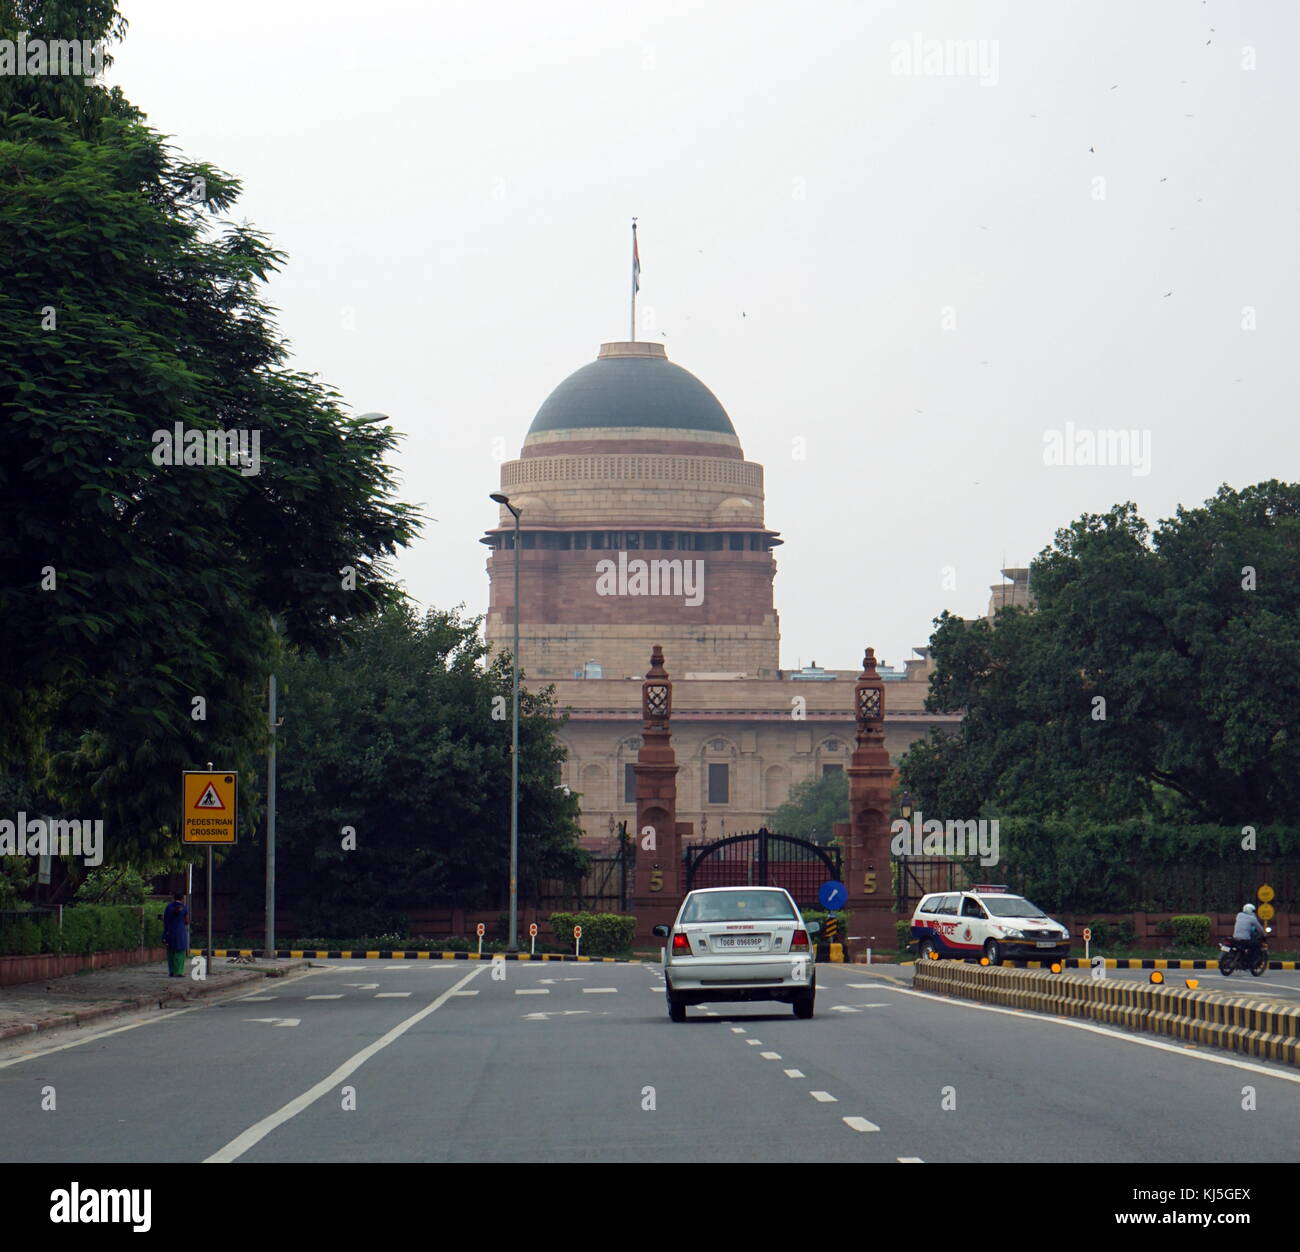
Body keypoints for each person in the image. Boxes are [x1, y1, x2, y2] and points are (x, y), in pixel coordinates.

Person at [162, 892, 189, 978]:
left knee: (170, 951)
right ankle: (179, 972)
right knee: (180, 951)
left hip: (169, 930)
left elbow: (165, 918)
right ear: (182, 898)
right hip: (180, 931)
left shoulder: (168, 907)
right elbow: (187, 921)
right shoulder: (184, 907)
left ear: (174, 898)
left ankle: (172, 971)